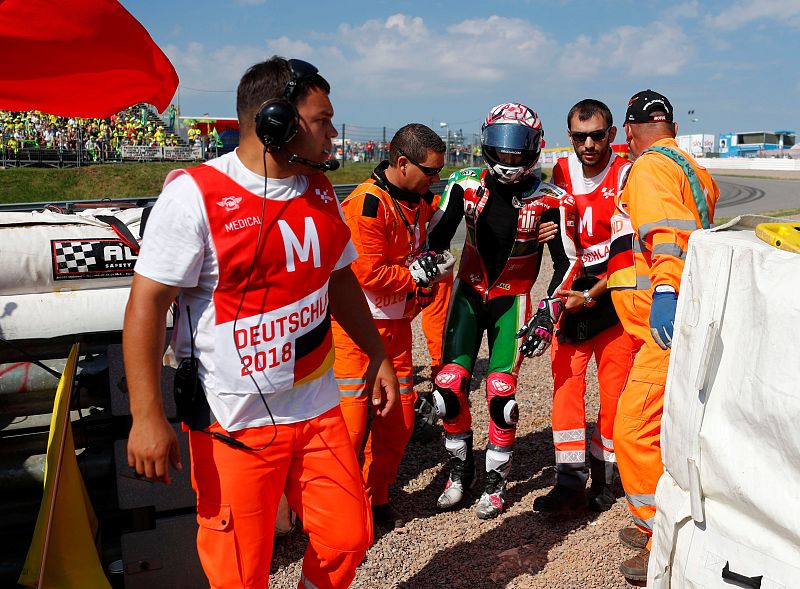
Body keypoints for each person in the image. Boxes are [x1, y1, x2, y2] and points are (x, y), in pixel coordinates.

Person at [122, 56, 398, 589]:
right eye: (322, 121)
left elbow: (340, 278)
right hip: (233, 421)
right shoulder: (194, 195)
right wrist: (146, 415)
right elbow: (146, 306)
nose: (332, 134)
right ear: (276, 122)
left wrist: (378, 354)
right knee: (240, 572)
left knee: (348, 538)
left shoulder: (319, 189)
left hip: (317, 408)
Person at [425, 102, 577, 519]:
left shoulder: (552, 200)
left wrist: (548, 313)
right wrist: (427, 260)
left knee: (500, 391)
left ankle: (496, 480)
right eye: (501, 145)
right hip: (469, 294)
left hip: (514, 299)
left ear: (534, 147)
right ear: (486, 142)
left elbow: (567, 262)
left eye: (518, 146)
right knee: (448, 384)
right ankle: (459, 471)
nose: (509, 155)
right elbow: (436, 235)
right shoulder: (464, 183)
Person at [607, 90, 719, 581]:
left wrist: (666, 291)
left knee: (632, 430)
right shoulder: (692, 168)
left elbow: (668, 234)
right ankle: (659, 525)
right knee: (668, 430)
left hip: (665, 328)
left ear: (631, 130)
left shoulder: (650, 166)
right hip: (680, 320)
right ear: (672, 126)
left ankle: (663, 541)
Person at [331, 123, 453, 529]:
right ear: (402, 163)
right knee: (349, 430)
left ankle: (376, 496)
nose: (435, 179)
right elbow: (367, 273)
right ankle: (340, 511)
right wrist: (417, 276)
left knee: (398, 422)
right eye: (430, 171)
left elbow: (434, 234)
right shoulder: (367, 204)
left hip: (396, 331)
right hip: (354, 335)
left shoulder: (417, 201)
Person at [532, 99, 636, 514]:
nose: (588, 145)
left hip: (614, 292)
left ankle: (605, 478)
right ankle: (569, 483)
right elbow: (553, 225)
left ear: (611, 135)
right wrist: (544, 228)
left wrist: (592, 294)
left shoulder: (627, 172)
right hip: (572, 291)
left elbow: (629, 251)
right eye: (580, 137)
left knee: (615, 392)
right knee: (566, 386)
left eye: (596, 136)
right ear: (570, 136)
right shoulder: (560, 171)